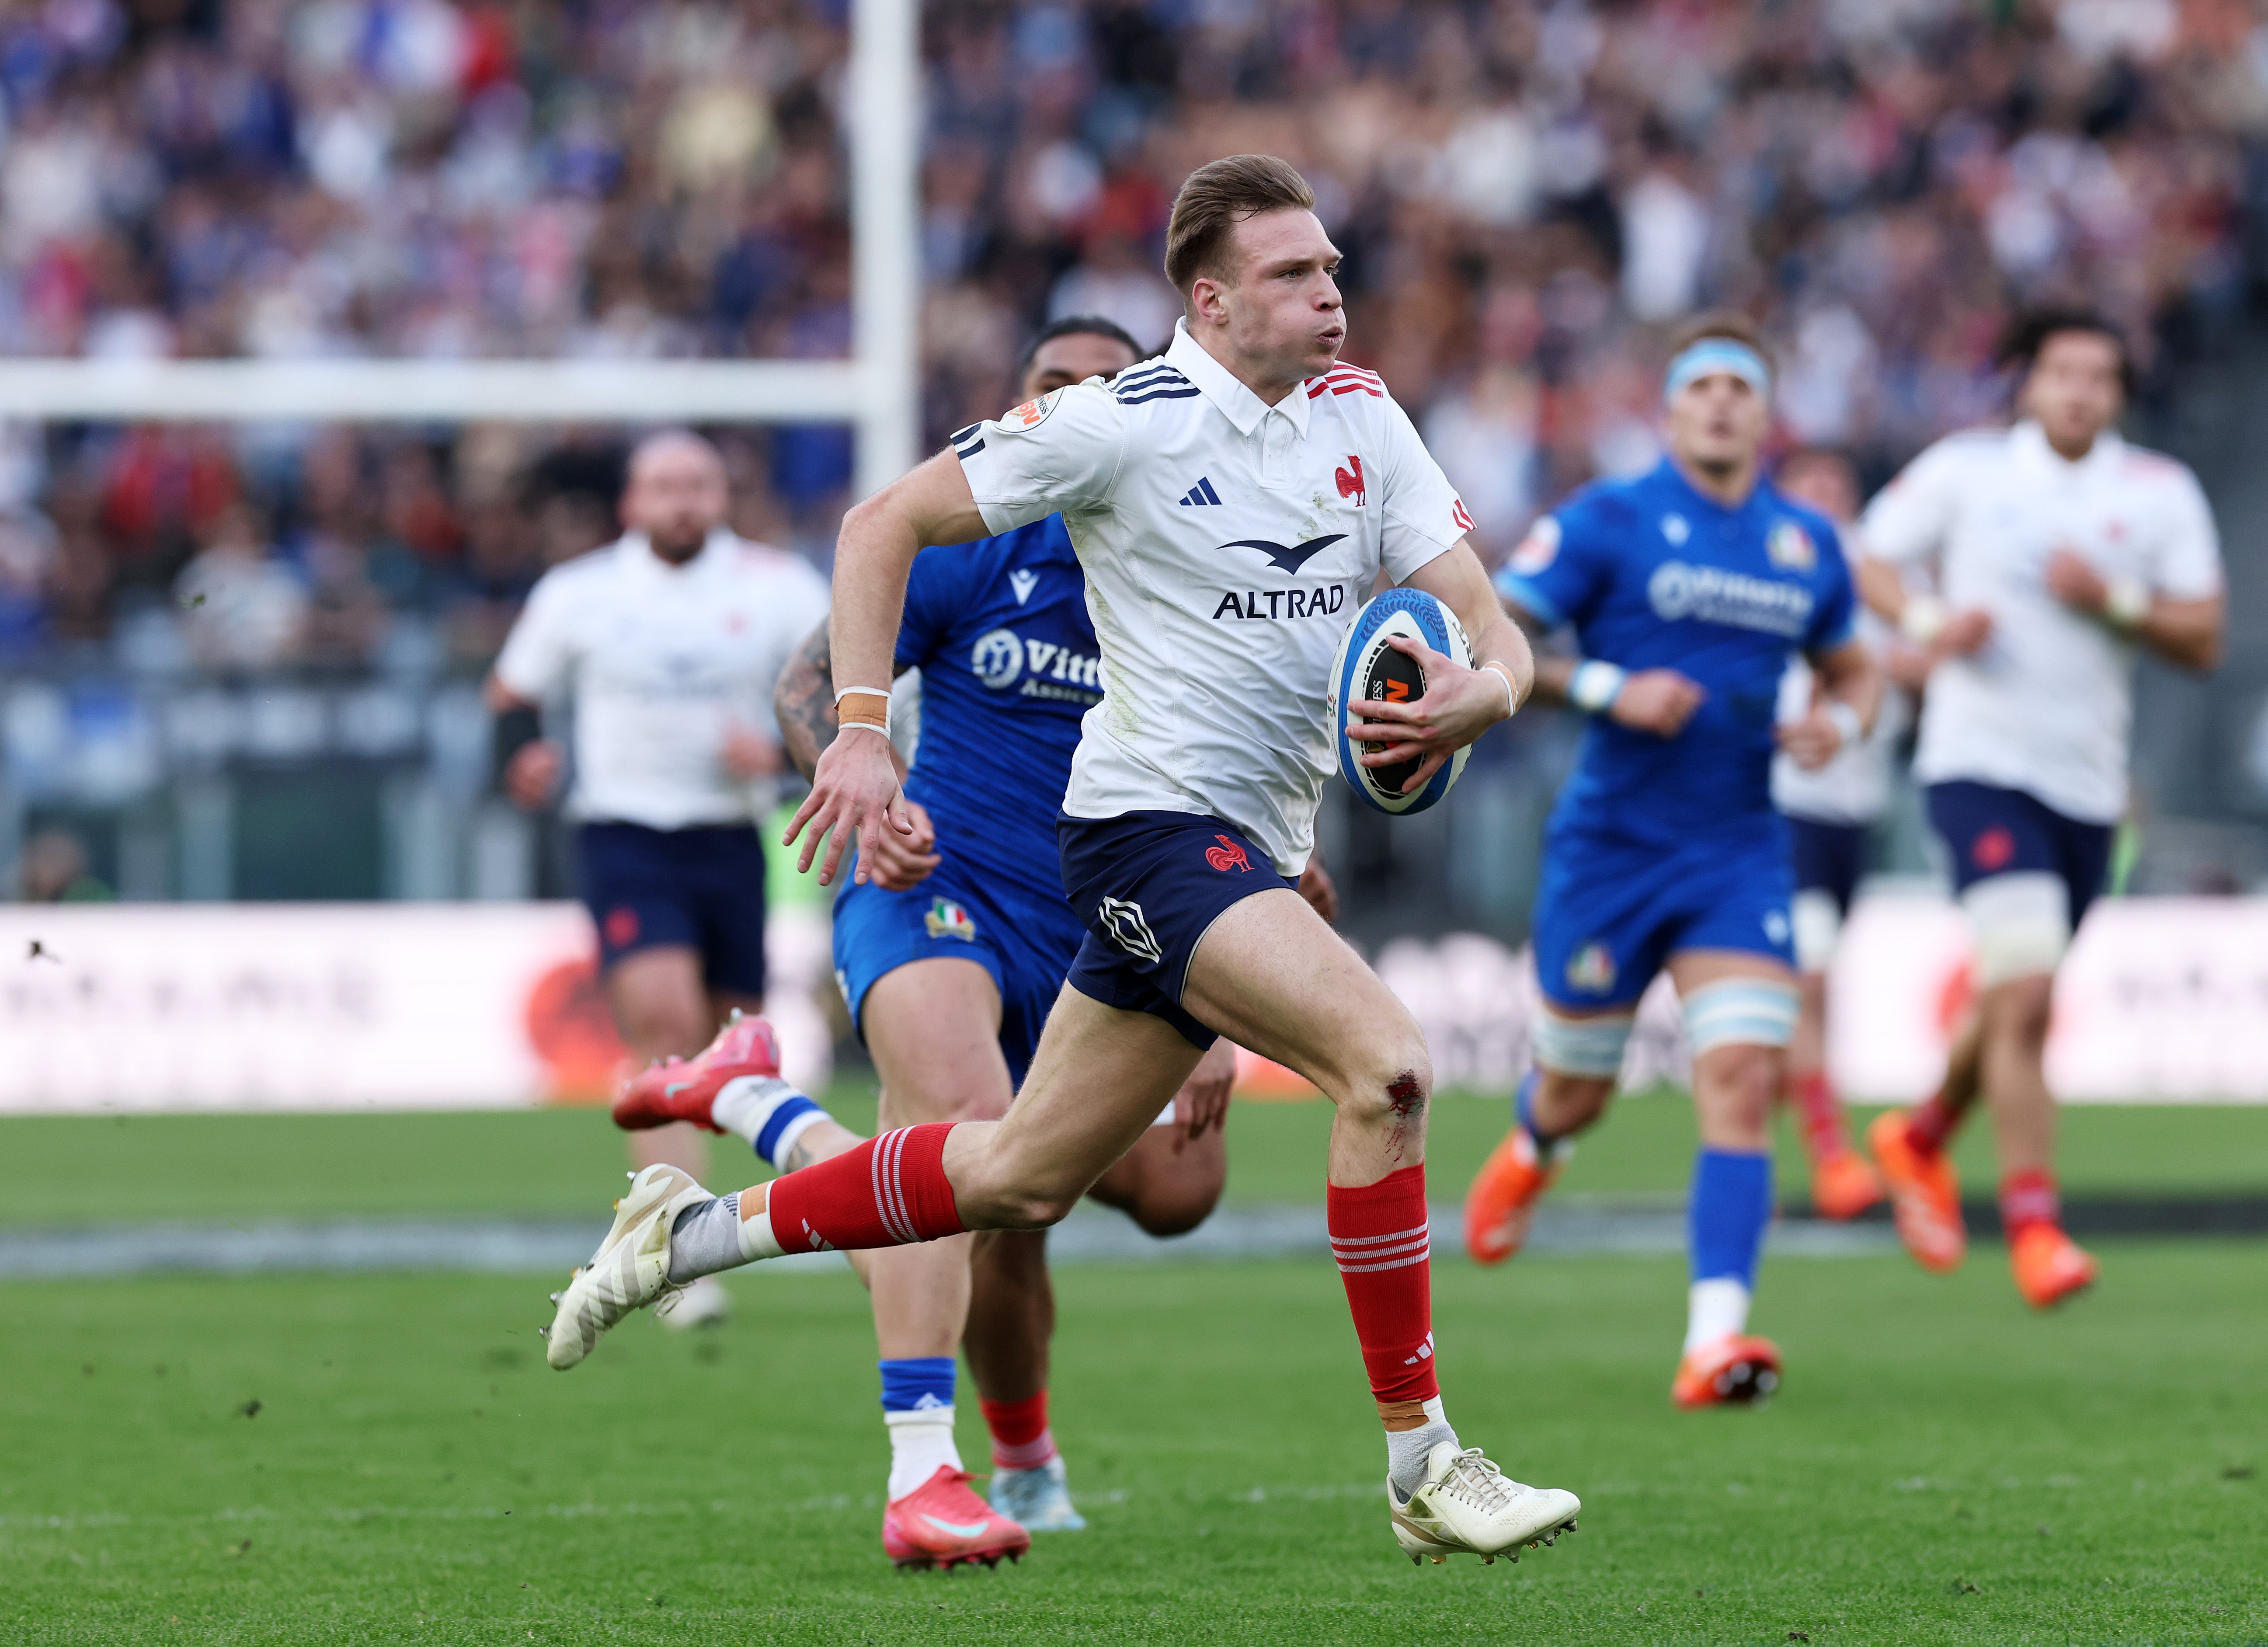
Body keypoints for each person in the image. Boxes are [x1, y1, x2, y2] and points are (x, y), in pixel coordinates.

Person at [544, 153, 1581, 1570]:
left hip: (1251, 854)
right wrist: (857, 736)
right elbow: (877, 525)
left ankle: (695, 1233)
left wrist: (1493, 686)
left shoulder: (1366, 417)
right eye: (1295, 273)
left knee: (1024, 1177)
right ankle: (1424, 1460)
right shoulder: (1120, 422)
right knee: (1387, 1066)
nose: (1332, 292)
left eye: (1334, 267)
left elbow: (1489, 620)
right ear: (1210, 301)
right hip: (1145, 837)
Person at [618, 317, 1333, 1568]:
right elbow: (803, 686)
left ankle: (756, 1107)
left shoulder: (1207, 575)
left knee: (1142, 1194)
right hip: (933, 889)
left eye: (1101, 387)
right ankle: (928, 1469)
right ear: (1019, 410)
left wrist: (1222, 993)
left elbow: (1254, 784)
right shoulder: (973, 537)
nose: (1072, 406)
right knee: (964, 1140)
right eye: (1048, 388)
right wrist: (864, 769)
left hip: (1109, 926)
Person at [1462, 313, 1884, 1410]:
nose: (1720, 403)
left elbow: (1854, 670)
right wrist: (1608, 689)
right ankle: (1531, 1147)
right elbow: (1491, 636)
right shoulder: (1609, 519)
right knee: (1577, 1092)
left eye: (1740, 387)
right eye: (1701, 385)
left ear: (1766, 411)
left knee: (1740, 1081)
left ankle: (1713, 1343)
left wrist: (1842, 723)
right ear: (1669, 407)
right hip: (1609, 852)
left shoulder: (1804, 544)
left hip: (1737, 853)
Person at [1852, 308, 2224, 1309]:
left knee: (2015, 990)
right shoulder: (1966, 471)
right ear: (2026, 381)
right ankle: (2033, 1227)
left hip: (2089, 790)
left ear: (2117, 396)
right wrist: (1929, 622)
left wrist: (2117, 600)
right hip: (1975, 766)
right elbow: (1865, 557)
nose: (2076, 391)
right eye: (2059, 371)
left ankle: (1919, 1135)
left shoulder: (2156, 492)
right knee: (2024, 998)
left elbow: (2204, 636)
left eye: (2097, 377)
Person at [488, 431, 828, 1329]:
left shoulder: (777, 586)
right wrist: (524, 759)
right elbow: (511, 695)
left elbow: (833, 696)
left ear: (720, 497)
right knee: (667, 1028)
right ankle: (673, 1253)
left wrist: (786, 759)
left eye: (696, 485)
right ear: (631, 504)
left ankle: (676, 1233)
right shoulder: (582, 592)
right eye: (662, 486)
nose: (680, 501)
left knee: (729, 1045)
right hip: (623, 834)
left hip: (727, 836)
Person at [1767, 447, 1913, 1222]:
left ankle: (1753, 1153)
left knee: (1794, 994)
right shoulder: (1765, 572)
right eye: (1809, 487)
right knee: (1809, 981)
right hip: (1784, 804)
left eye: (1837, 487)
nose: (1826, 500)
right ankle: (1831, 1152)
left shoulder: (1871, 581)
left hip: (1856, 811)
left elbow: (1905, 664)